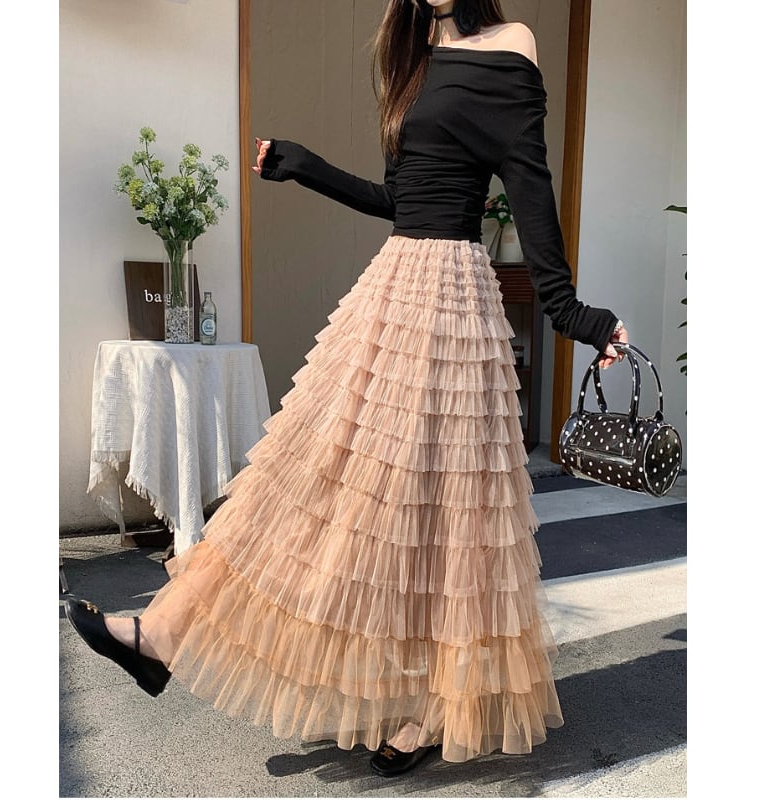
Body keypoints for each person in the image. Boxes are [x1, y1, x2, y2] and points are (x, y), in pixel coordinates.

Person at [64, 0, 629, 778]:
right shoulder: (414, 52)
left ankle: (428, 708)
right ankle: (161, 635)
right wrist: (307, 167)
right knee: (299, 480)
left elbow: (531, 190)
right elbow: (402, 200)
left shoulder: (514, 43)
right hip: (389, 296)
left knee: (439, 521)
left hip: (453, 308)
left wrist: (576, 316)